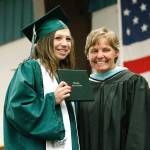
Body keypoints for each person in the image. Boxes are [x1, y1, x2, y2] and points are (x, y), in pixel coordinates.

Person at [3, 5, 79, 150]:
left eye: (68, 39)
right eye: (58, 38)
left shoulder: (66, 74)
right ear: (44, 41)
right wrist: (52, 100)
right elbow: (17, 109)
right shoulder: (30, 68)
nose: (65, 44)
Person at [77, 27, 150, 150]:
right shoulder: (81, 87)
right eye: (94, 51)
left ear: (116, 52)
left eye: (106, 50)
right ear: (87, 55)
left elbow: (139, 133)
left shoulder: (134, 83)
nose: (100, 56)